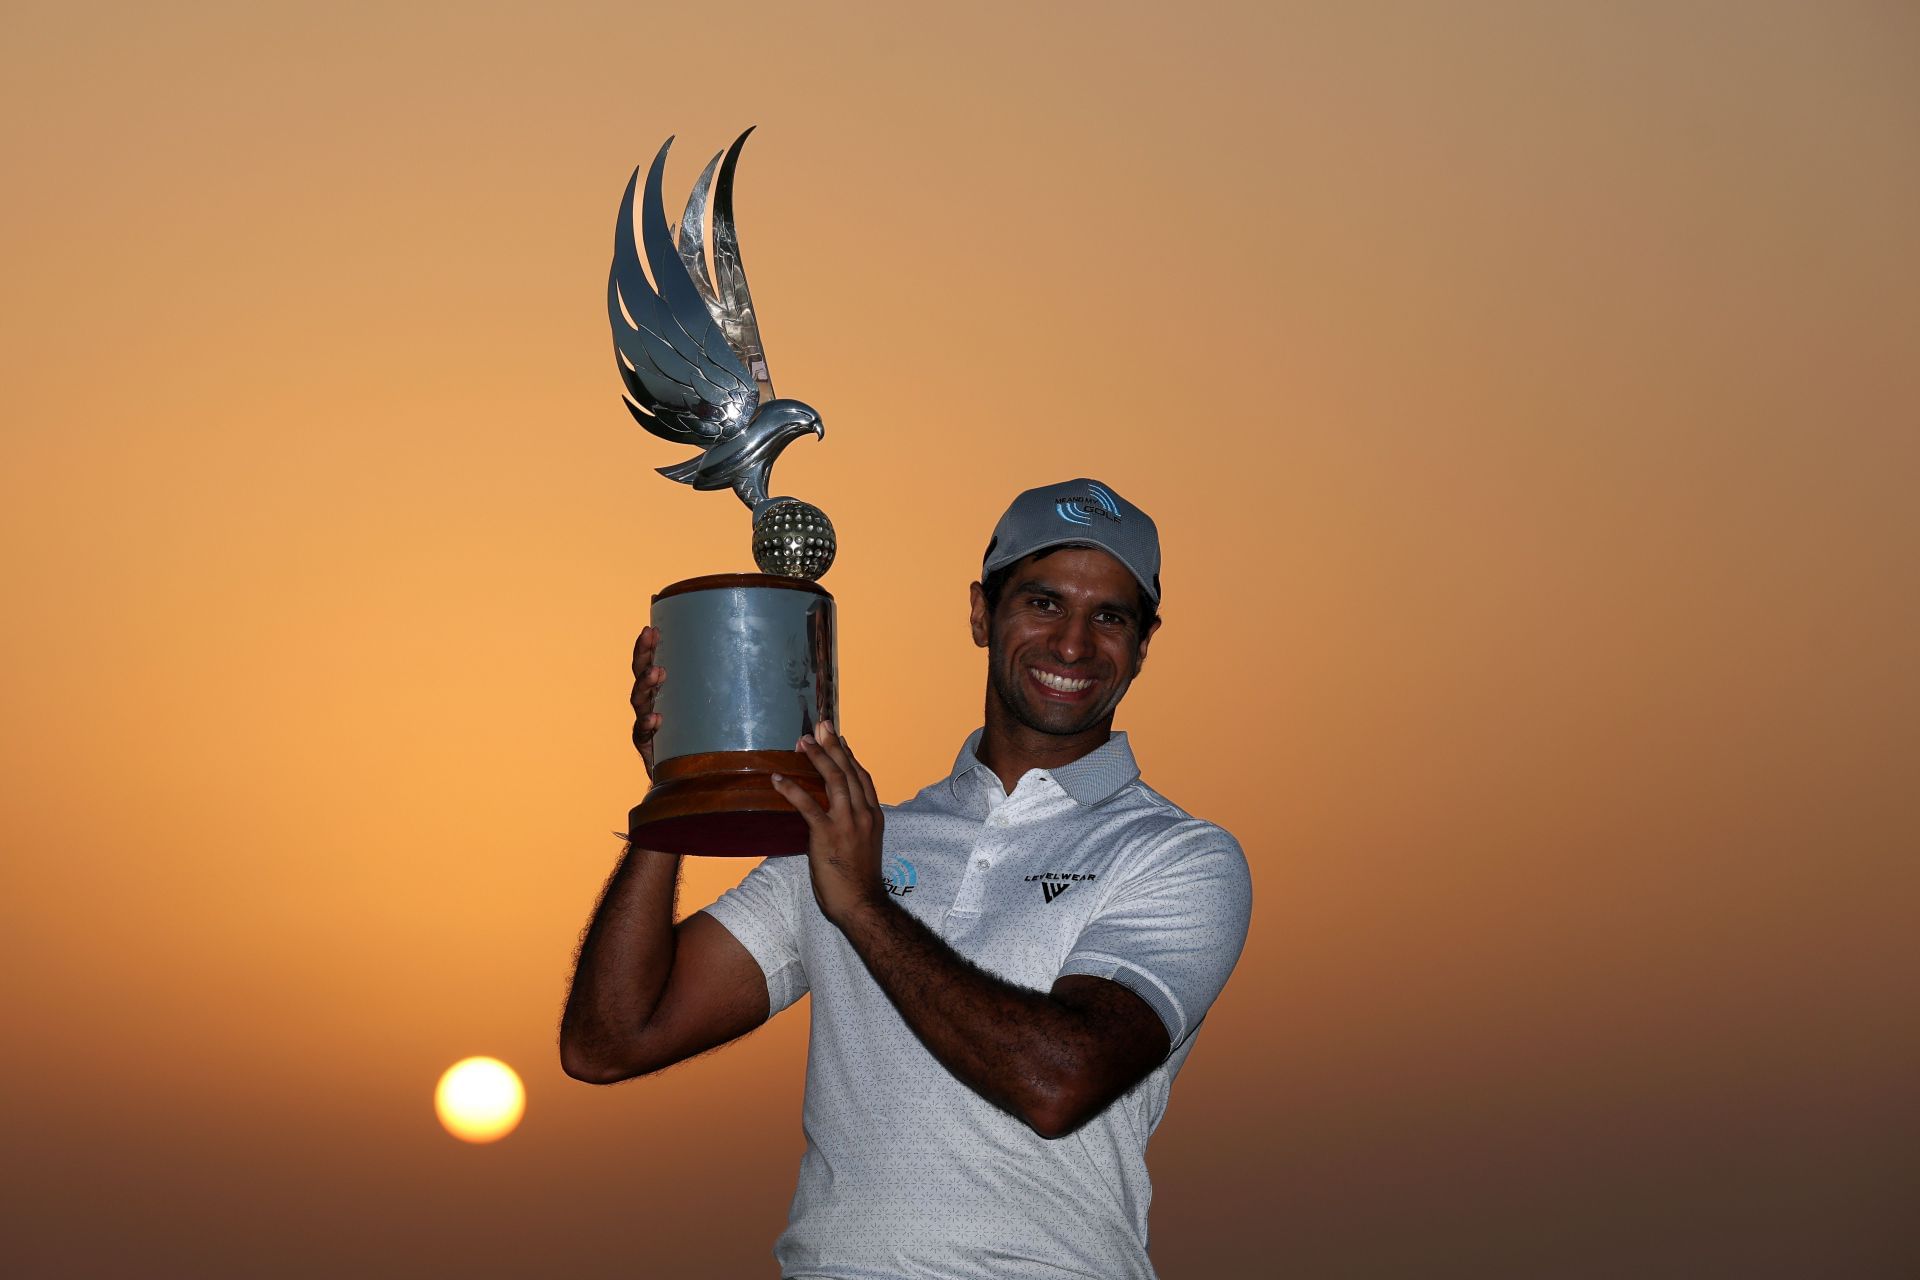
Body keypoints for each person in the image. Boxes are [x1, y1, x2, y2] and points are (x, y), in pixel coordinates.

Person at [561, 478, 1253, 1279]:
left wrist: (862, 905)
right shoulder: (850, 834)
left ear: (1142, 645)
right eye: (1042, 603)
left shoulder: (1178, 854)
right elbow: (609, 1041)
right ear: (979, 614)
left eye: (1110, 617)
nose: (1072, 644)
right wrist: (677, 791)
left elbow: (1058, 1082)